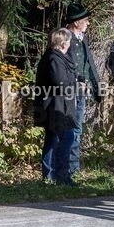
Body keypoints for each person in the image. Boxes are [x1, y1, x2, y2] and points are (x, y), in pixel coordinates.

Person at [35, 29, 79, 186]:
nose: (70, 44)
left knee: (53, 140)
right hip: (55, 107)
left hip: (58, 106)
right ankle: (60, 176)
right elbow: (61, 83)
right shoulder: (54, 59)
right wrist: (77, 85)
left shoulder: (58, 58)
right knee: (66, 139)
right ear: (63, 43)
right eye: (68, 41)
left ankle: (50, 176)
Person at [64, 3, 101, 182]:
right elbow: (63, 65)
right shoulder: (63, 37)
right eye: (85, 20)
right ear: (76, 22)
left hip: (82, 91)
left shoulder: (83, 38)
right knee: (68, 130)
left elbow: (90, 64)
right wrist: (77, 82)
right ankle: (65, 169)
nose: (88, 22)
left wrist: (97, 88)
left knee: (77, 129)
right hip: (67, 91)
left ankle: (73, 169)